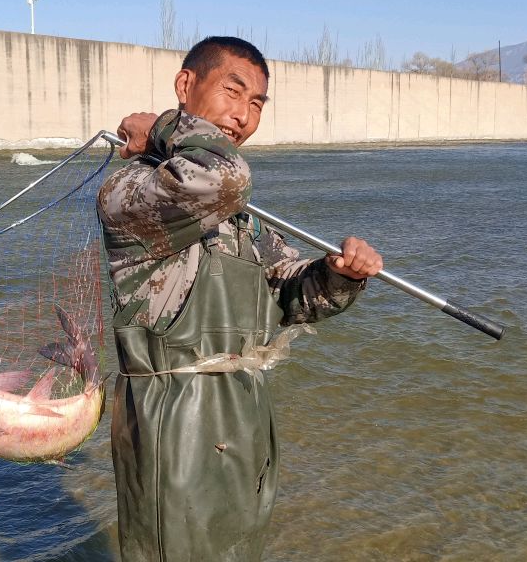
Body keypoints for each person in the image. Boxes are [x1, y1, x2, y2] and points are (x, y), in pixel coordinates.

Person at [97, 36, 383, 561]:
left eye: (256, 104)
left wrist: (339, 274)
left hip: (245, 418)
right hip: (173, 422)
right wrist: (163, 126)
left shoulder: (239, 220)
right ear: (186, 85)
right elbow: (224, 174)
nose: (243, 116)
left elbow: (293, 297)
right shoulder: (131, 191)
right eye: (233, 91)